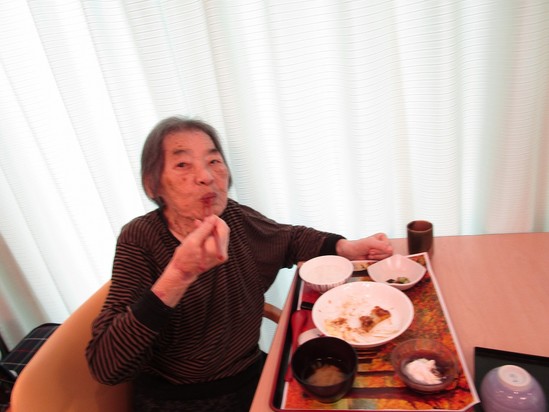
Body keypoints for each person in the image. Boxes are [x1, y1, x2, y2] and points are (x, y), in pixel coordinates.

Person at [86, 116, 393, 411]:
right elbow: (106, 365)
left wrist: (345, 247)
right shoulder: (140, 238)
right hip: (183, 399)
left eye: (214, 161)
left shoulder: (233, 217)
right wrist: (180, 274)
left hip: (252, 375)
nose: (207, 176)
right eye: (182, 164)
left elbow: (290, 239)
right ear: (153, 185)